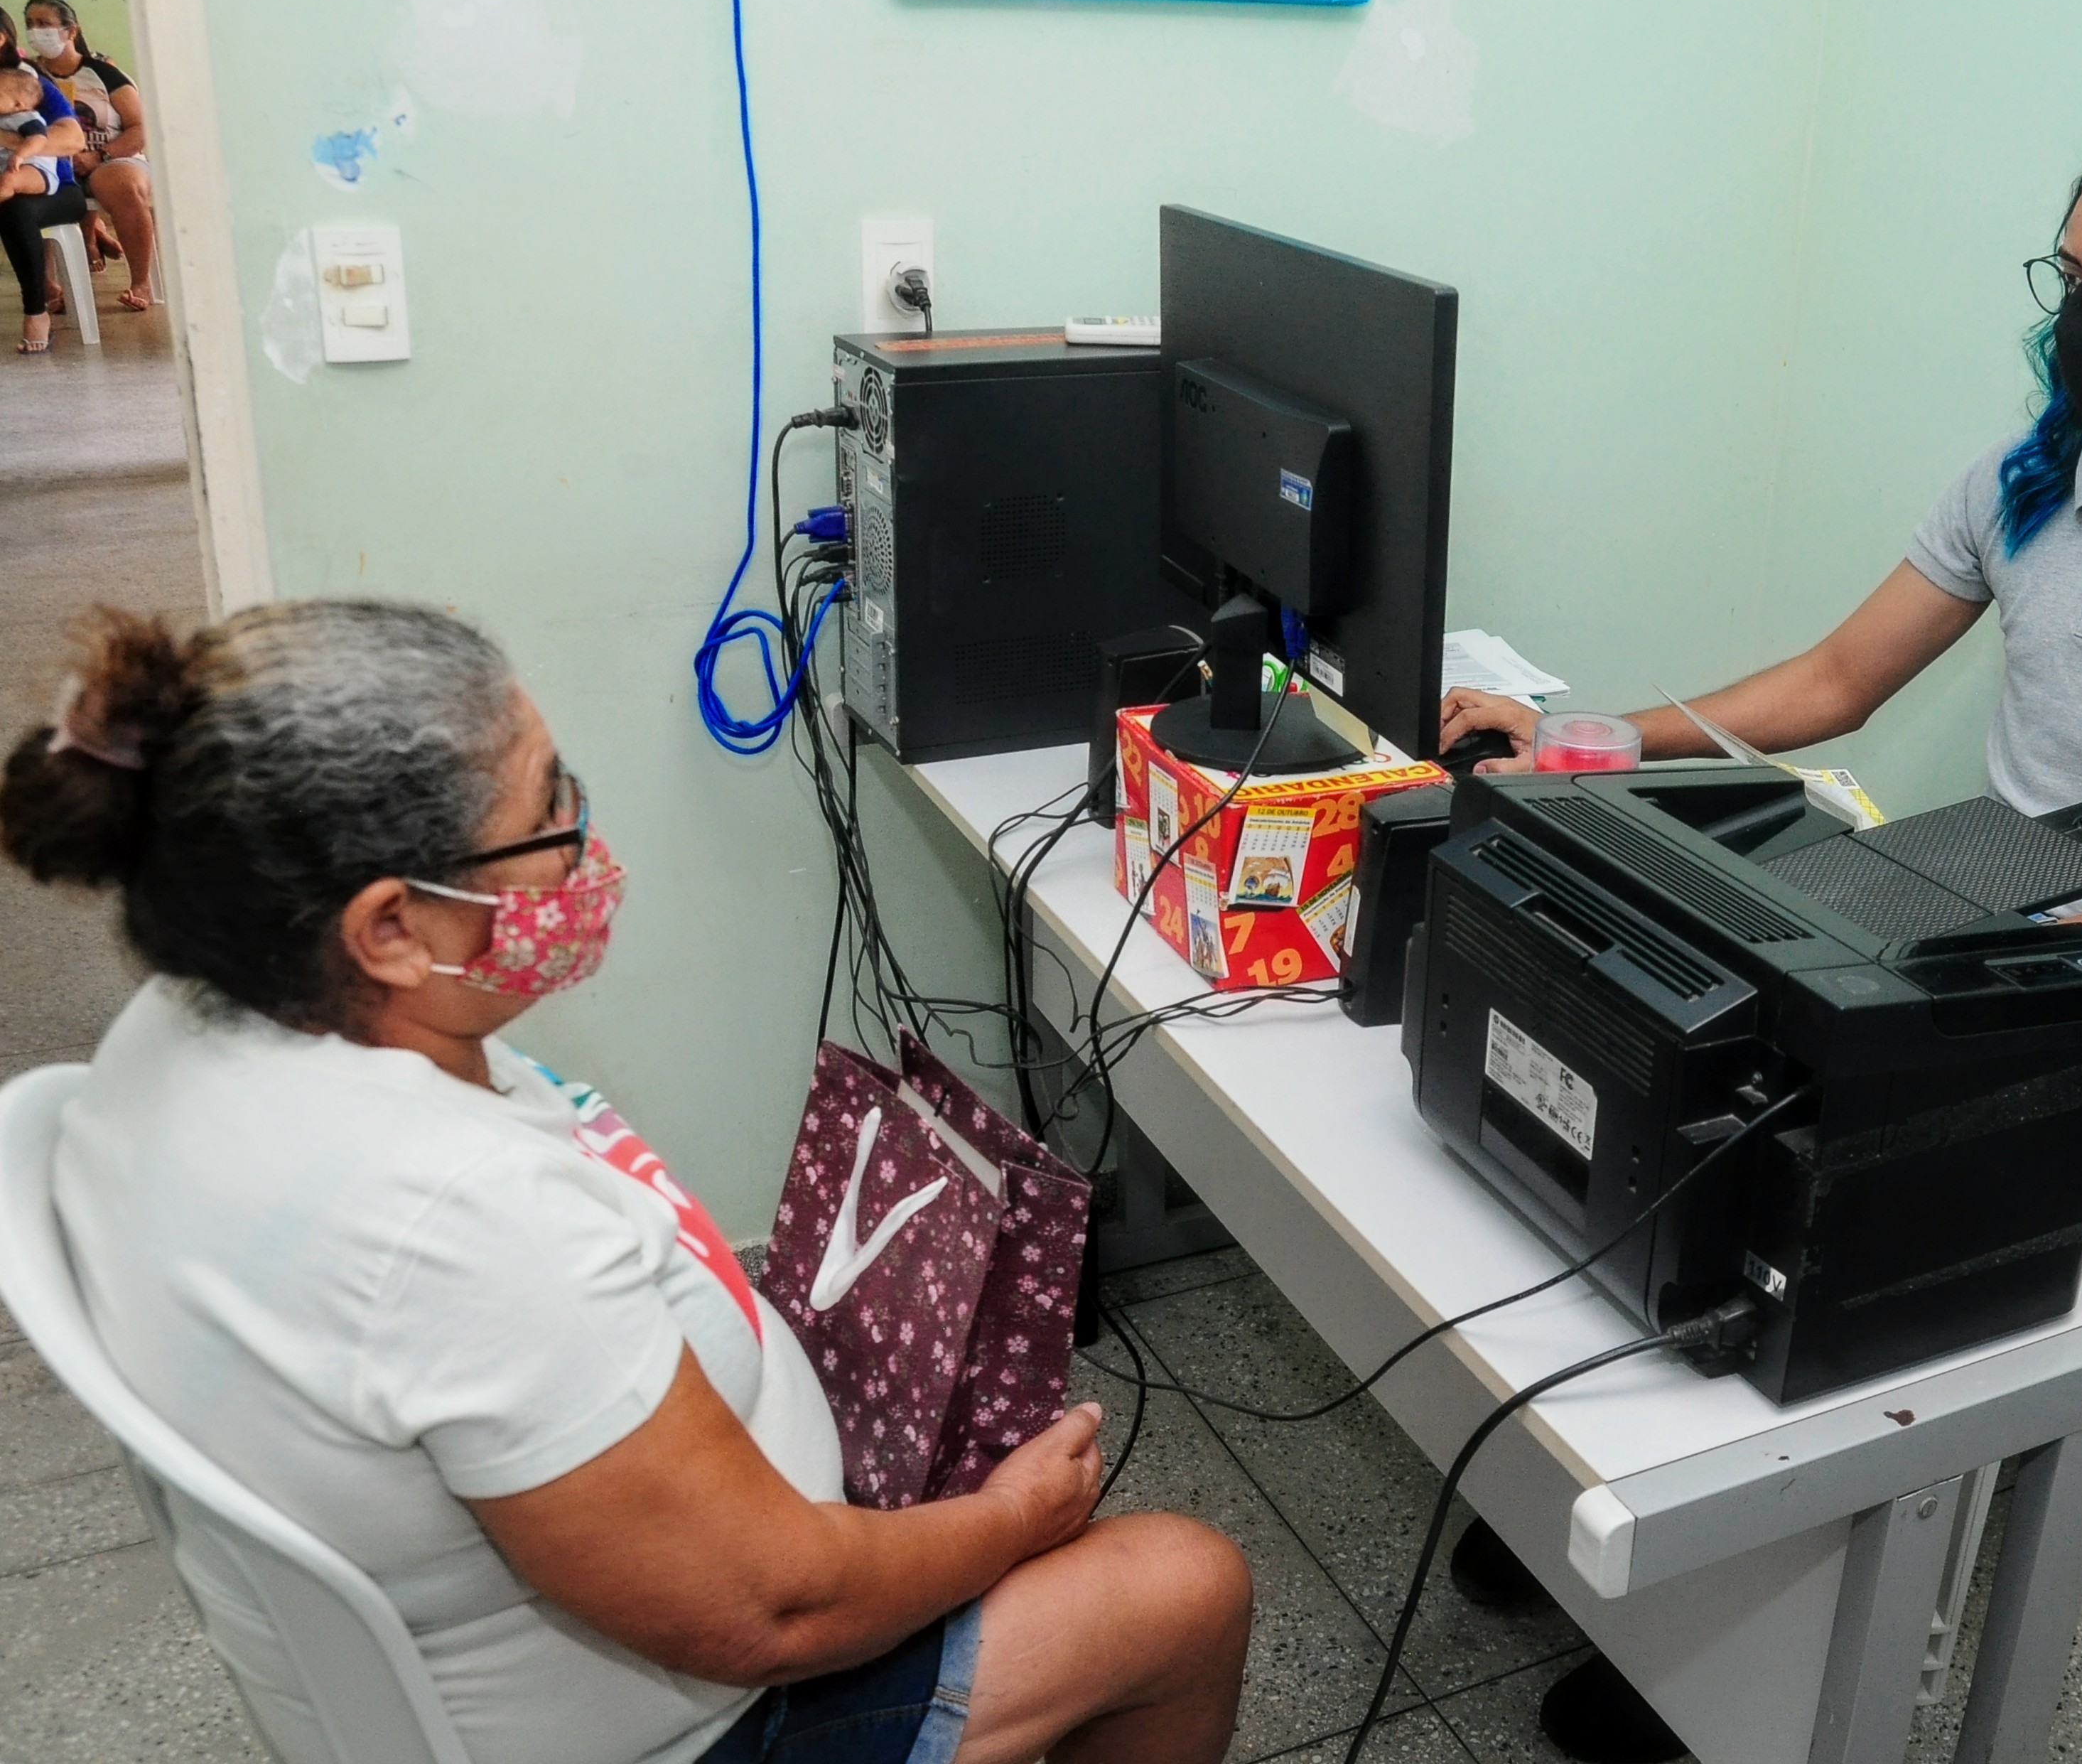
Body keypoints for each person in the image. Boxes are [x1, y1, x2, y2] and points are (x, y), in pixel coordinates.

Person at [1436, 123, 2082, 1763]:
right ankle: (1623, 1512)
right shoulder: (2027, 483)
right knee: (1667, 1048)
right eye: (2068, 277)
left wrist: (1949, 979)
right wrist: (1584, 739)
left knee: (1814, 1157)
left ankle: (1728, 1645)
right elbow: (1827, 688)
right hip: (1953, 922)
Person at [0, 600, 1253, 1764]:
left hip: (601, 1593)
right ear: (391, 929)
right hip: (700, 1712)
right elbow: (779, 1606)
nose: (587, 849)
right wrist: (1017, 1516)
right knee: (1184, 1589)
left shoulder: (191, 1014)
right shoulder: (451, 1217)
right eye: (551, 811)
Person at [20, 0, 155, 311]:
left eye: (45, 24)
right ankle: (48, 288)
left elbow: (139, 127)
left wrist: (100, 156)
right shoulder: (27, 77)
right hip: (53, 161)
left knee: (119, 184)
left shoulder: (103, 73)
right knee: (26, 191)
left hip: (111, 157)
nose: (36, 31)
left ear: (71, 31)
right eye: (30, 25)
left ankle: (140, 283)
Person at [0, 9, 85, 353]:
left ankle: (37, 312)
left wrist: (9, 143)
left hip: (55, 186)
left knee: (15, 209)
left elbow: (73, 139)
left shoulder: (24, 83)